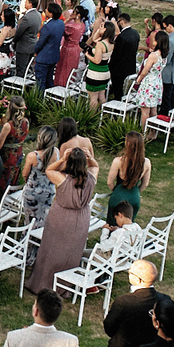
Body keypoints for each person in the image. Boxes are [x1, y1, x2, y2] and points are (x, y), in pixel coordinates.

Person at [25, 148, 98, 294]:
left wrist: (62, 159)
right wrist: (90, 158)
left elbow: (49, 170)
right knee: (72, 251)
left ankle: (44, 283)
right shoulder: (90, 178)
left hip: (62, 217)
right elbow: (95, 166)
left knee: (52, 249)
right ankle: (66, 284)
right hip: (82, 217)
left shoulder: (63, 179)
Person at [20, 126, 59, 236]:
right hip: (49, 192)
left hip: (33, 193)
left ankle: (26, 246)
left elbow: (25, 174)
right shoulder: (56, 153)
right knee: (43, 220)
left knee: (29, 221)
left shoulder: (33, 156)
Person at [128, 30, 169, 132]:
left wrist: (138, 80)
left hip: (149, 83)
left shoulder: (153, 56)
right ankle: (153, 132)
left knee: (145, 111)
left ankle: (144, 132)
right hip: (157, 82)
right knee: (153, 110)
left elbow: (145, 71)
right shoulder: (163, 55)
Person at [107, 131, 152, 222]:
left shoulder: (118, 161)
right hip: (134, 197)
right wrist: (136, 191)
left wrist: (116, 190)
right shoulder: (146, 163)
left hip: (118, 196)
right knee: (127, 227)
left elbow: (109, 182)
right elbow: (145, 184)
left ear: (127, 144)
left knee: (111, 225)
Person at [0, 96, 31, 190]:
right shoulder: (26, 122)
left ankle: (0, 196)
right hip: (18, 153)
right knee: (14, 175)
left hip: (7, 155)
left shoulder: (8, 126)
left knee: (4, 177)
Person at [85, 21, 115, 110]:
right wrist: (99, 30)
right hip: (105, 72)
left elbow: (97, 60)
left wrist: (87, 55)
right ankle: (103, 115)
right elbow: (94, 39)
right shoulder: (111, 43)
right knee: (102, 95)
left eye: (102, 27)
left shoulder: (100, 44)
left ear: (106, 30)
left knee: (93, 97)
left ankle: (91, 117)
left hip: (95, 72)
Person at [34, 3, 65, 90]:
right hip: (53, 56)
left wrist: (35, 50)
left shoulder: (47, 27)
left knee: (40, 82)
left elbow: (41, 43)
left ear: (51, 13)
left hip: (43, 57)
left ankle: (39, 100)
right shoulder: (61, 24)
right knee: (49, 79)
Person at [108, 13, 139, 101]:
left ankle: (117, 102)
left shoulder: (121, 37)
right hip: (130, 65)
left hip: (119, 69)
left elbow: (116, 54)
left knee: (118, 89)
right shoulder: (135, 33)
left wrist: (110, 65)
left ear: (121, 22)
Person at [55, 7, 85, 88]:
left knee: (63, 70)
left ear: (78, 15)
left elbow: (60, 28)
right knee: (71, 70)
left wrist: (68, 19)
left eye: (74, 12)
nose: (72, 13)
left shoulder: (72, 27)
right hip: (76, 49)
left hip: (68, 49)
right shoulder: (82, 25)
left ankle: (60, 86)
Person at [12, 0, 42, 78]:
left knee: (21, 69)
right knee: (28, 68)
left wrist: (14, 41)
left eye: (26, 2)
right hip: (32, 45)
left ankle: (19, 86)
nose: (25, 4)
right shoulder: (38, 15)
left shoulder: (27, 17)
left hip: (23, 46)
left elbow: (19, 32)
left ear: (30, 4)